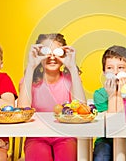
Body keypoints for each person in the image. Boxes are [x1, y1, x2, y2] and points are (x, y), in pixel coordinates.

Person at [18, 33, 86, 161]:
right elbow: (22, 110)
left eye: (58, 52)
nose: (52, 57)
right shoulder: (29, 81)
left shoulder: (71, 80)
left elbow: (82, 109)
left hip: (66, 136)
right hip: (36, 136)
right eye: (46, 52)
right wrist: (31, 67)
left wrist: (72, 68)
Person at [93, 45, 126, 161]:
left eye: (121, 67)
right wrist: (112, 95)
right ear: (103, 71)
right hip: (105, 139)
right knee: (101, 157)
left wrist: (125, 94)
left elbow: (125, 123)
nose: (115, 72)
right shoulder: (99, 94)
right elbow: (112, 125)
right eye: (110, 68)